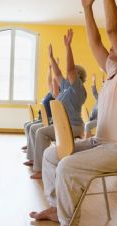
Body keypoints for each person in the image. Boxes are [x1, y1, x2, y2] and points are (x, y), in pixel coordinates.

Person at [30, 0, 117, 226]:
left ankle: (69, 223)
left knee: (67, 166)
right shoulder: (114, 70)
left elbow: (113, 30)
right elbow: (95, 42)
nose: (110, 48)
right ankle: (58, 208)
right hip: (101, 143)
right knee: (50, 155)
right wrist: (87, 8)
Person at [27, 29, 87, 179]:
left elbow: (70, 69)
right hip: (62, 125)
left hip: (73, 127)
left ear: (77, 78)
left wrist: (68, 47)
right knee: (38, 130)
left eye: (70, 75)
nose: (66, 76)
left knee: (41, 132)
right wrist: (51, 58)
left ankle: (40, 169)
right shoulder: (67, 87)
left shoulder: (78, 89)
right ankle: (36, 160)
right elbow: (58, 74)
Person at [23, 60, 59, 165]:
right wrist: (50, 69)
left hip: (47, 120)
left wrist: (55, 68)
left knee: (32, 127)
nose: (51, 84)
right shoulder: (50, 93)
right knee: (28, 125)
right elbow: (49, 81)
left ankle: (33, 155)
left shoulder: (55, 94)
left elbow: (53, 80)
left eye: (54, 84)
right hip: (42, 119)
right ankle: (31, 149)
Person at [84, 74, 100, 139]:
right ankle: (88, 138)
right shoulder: (99, 98)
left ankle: (86, 140)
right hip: (93, 118)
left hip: (100, 119)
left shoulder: (106, 101)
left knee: (87, 125)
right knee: (86, 124)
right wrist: (93, 81)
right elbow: (94, 92)